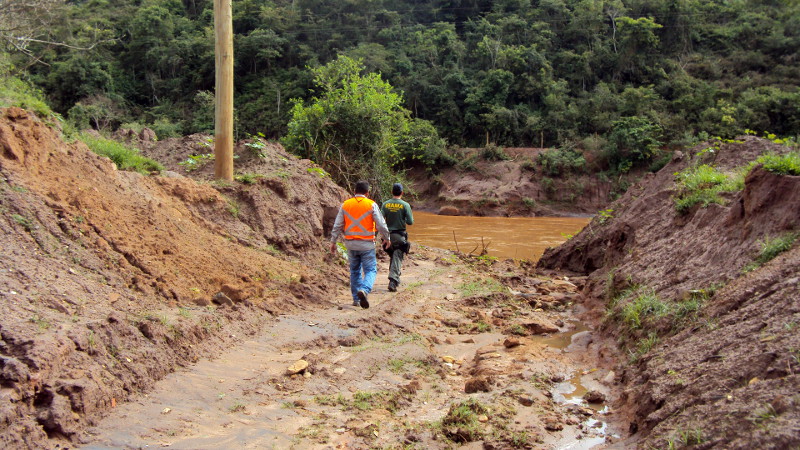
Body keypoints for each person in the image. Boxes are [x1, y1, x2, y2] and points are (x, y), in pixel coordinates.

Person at [330, 180, 391, 308]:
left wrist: (333, 241)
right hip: (367, 244)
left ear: (354, 191)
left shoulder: (346, 205)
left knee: (354, 271)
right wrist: (387, 238)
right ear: (367, 193)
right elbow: (381, 224)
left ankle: (356, 299)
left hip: (351, 244)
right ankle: (364, 289)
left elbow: (337, 225)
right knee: (370, 270)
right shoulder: (371, 204)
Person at [381, 183, 414, 292]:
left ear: (392, 192)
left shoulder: (385, 204)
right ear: (402, 193)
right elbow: (410, 222)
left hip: (386, 237)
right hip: (399, 236)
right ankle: (393, 281)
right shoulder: (405, 205)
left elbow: (380, 221)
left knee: (394, 256)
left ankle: (395, 278)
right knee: (398, 255)